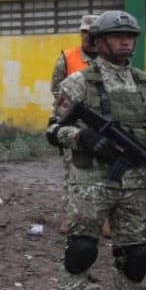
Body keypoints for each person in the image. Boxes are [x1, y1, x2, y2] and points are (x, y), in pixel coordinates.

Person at [44, 10, 146, 290]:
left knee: (135, 256)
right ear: (99, 41)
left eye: (129, 36)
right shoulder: (78, 83)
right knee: (80, 251)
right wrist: (84, 138)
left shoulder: (144, 82)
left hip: (135, 184)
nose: (125, 42)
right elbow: (53, 130)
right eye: (117, 36)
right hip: (90, 183)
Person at [51, 14, 102, 235]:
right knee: (73, 171)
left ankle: (103, 219)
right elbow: (57, 89)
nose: (87, 36)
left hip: (103, 125)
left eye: (92, 32)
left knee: (104, 172)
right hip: (74, 126)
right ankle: (70, 216)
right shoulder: (67, 57)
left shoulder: (109, 58)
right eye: (84, 32)